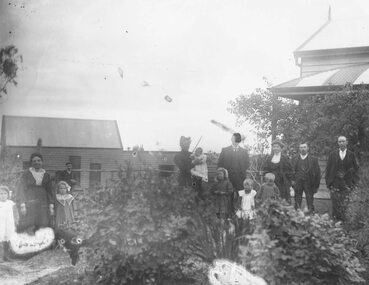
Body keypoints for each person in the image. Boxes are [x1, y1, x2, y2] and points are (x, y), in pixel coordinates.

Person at [16, 153, 55, 233]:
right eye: (34, 161)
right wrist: (22, 204)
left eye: (39, 160)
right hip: (30, 201)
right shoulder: (26, 174)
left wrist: (51, 204)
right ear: (31, 163)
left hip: (43, 202)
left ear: (42, 162)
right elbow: (21, 189)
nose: (37, 162)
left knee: (43, 223)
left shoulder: (46, 175)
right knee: (30, 223)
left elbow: (50, 190)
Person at [325, 136, 359, 221]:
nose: (341, 143)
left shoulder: (351, 155)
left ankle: (343, 223)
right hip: (335, 182)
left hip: (346, 183)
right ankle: (335, 222)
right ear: (338, 143)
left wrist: (353, 183)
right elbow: (328, 169)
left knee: (345, 203)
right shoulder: (332, 154)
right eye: (340, 142)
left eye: (343, 141)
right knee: (335, 203)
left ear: (347, 142)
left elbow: (355, 170)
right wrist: (328, 183)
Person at [218, 133, 250, 210]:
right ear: (231, 139)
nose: (234, 140)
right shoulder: (225, 150)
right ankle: (229, 210)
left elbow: (247, 164)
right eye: (233, 138)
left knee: (241, 194)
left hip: (240, 176)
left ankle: (241, 210)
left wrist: (241, 171)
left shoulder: (244, 151)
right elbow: (220, 164)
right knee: (229, 194)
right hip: (228, 176)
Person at [291, 143, 321, 213]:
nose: (303, 149)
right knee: (297, 200)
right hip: (298, 182)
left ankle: (311, 215)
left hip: (309, 183)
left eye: (304, 147)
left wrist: (316, 186)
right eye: (301, 147)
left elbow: (317, 173)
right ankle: (297, 215)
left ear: (308, 148)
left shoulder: (313, 159)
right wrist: (292, 181)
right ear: (299, 149)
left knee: (310, 200)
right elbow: (291, 171)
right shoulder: (294, 158)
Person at [262, 139, 293, 203]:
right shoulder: (269, 158)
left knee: (282, 198)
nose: (275, 148)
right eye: (274, 146)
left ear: (281, 148)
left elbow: (290, 171)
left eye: (277, 146)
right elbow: (265, 169)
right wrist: (267, 176)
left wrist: (287, 181)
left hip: (282, 182)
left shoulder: (285, 158)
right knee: (271, 198)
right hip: (271, 182)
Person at [0, 185, 18, 262]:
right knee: (0, 238)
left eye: (5, 194)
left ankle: (6, 256)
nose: (3, 195)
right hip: (1, 224)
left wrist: (16, 221)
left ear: (8, 194)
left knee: (8, 239)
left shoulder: (11, 203)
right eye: (1, 194)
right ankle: (0, 257)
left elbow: (16, 214)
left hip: (9, 224)